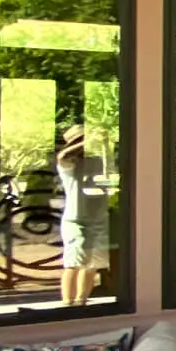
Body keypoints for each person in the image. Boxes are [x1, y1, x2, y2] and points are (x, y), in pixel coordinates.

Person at [55, 125, 110, 306]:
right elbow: (62, 156)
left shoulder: (96, 161)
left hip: (99, 218)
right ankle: (67, 302)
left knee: (92, 266)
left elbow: (110, 165)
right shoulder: (69, 165)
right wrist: (87, 141)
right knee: (74, 263)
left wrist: (104, 142)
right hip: (77, 220)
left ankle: (81, 301)